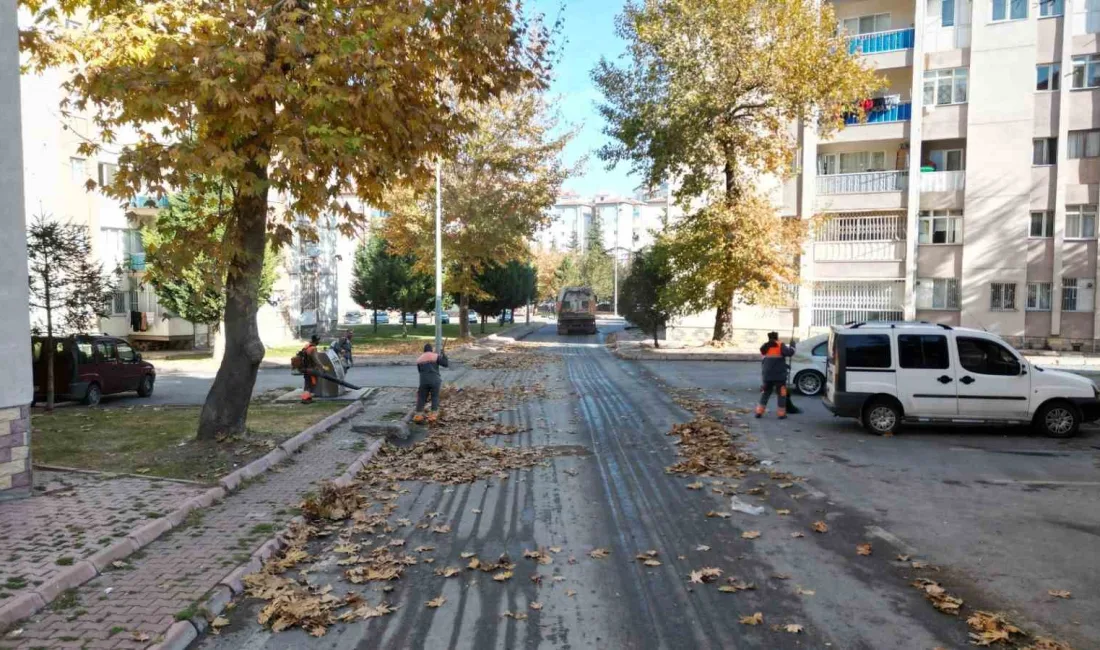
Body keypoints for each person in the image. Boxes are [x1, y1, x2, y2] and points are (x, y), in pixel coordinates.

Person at [756, 331, 795, 419]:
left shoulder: (764, 346)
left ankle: (759, 412)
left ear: (768, 337)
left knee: (765, 393)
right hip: (779, 376)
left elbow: (770, 359)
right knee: (781, 394)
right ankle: (781, 414)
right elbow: (789, 353)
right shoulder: (780, 345)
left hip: (767, 375)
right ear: (777, 337)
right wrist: (793, 345)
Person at [415, 343, 449, 414]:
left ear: (424, 350)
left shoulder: (419, 359)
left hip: (423, 381)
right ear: (431, 350)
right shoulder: (435, 356)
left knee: (422, 397)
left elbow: (420, 371)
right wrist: (444, 355)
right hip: (435, 380)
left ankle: (418, 415)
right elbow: (445, 364)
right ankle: (433, 415)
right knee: (435, 397)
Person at [298, 335, 321, 404]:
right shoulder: (313, 349)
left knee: (307, 383)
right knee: (311, 384)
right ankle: (305, 399)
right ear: (316, 341)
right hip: (311, 369)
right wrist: (322, 366)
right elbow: (316, 360)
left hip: (304, 368)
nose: (319, 342)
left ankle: (308, 398)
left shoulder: (307, 346)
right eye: (318, 340)